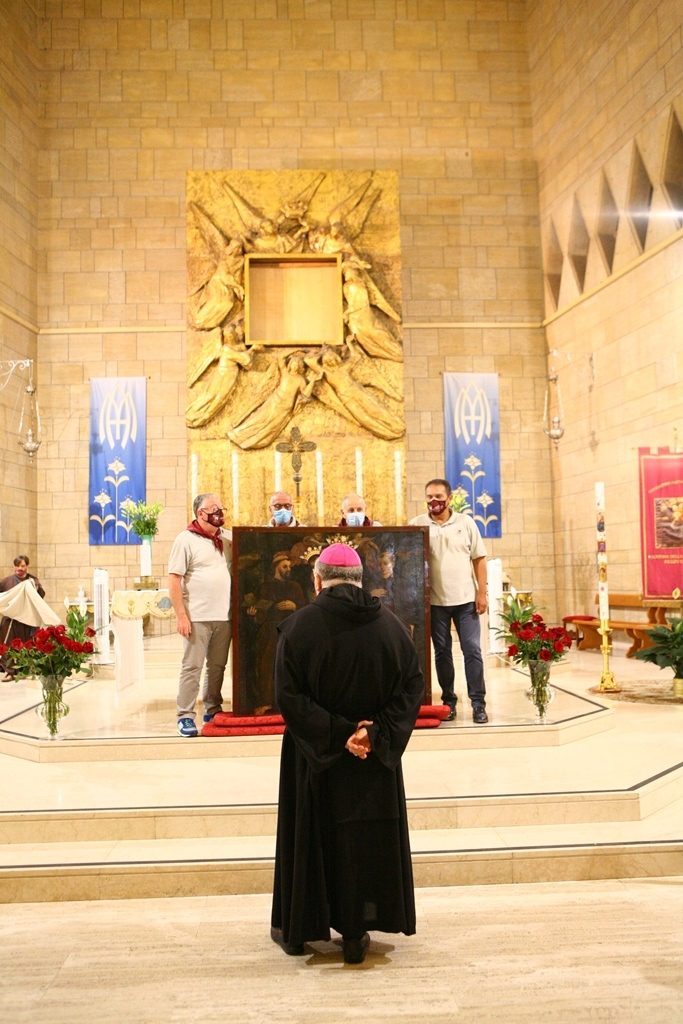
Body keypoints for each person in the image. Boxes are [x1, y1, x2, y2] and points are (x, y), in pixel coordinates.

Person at [270, 542, 424, 964]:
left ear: (317, 579)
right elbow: (413, 685)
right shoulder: (392, 627)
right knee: (362, 842)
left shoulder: (297, 627)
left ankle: (301, 931)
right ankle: (356, 931)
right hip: (372, 760)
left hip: (315, 757)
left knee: (311, 836)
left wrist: (339, 734)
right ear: (360, 580)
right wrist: (374, 733)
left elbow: (288, 696)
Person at [410, 479, 489, 724]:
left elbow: (479, 559)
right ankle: (448, 702)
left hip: (465, 601)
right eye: (429, 497)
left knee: (472, 650)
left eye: (438, 497)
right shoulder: (417, 524)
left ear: (449, 498)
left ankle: (478, 703)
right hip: (434, 603)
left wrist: (482, 593)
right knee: (442, 653)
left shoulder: (465, 523)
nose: (434, 501)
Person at [168, 493, 232, 737]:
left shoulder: (227, 538)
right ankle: (185, 715)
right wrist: (181, 616)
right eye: (213, 508)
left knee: (217, 666)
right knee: (192, 667)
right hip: (197, 615)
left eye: (220, 508)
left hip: (224, 615)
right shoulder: (185, 539)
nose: (218, 512)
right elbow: (174, 579)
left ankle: (212, 707)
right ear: (200, 513)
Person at [245, 550, 305, 715]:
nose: (288, 569)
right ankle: (266, 701)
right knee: (267, 666)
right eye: (284, 566)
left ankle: (291, 702)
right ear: (276, 567)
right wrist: (254, 614)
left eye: (289, 567)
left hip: (291, 631)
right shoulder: (265, 587)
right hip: (270, 632)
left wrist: (295, 606)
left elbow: (305, 608)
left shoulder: (295, 587)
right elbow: (260, 612)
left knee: (291, 666)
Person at [0, 555, 46, 680]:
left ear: (27, 566)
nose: (19, 568)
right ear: (14, 567)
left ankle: (26, 669)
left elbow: (40, 596)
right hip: (10, 620)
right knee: (8, 645)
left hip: (26, 619)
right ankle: (9, 671)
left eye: (22, 566)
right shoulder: (6, 581)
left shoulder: (33, 581)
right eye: (17, 566)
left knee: (26, 644)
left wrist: (36, 588)